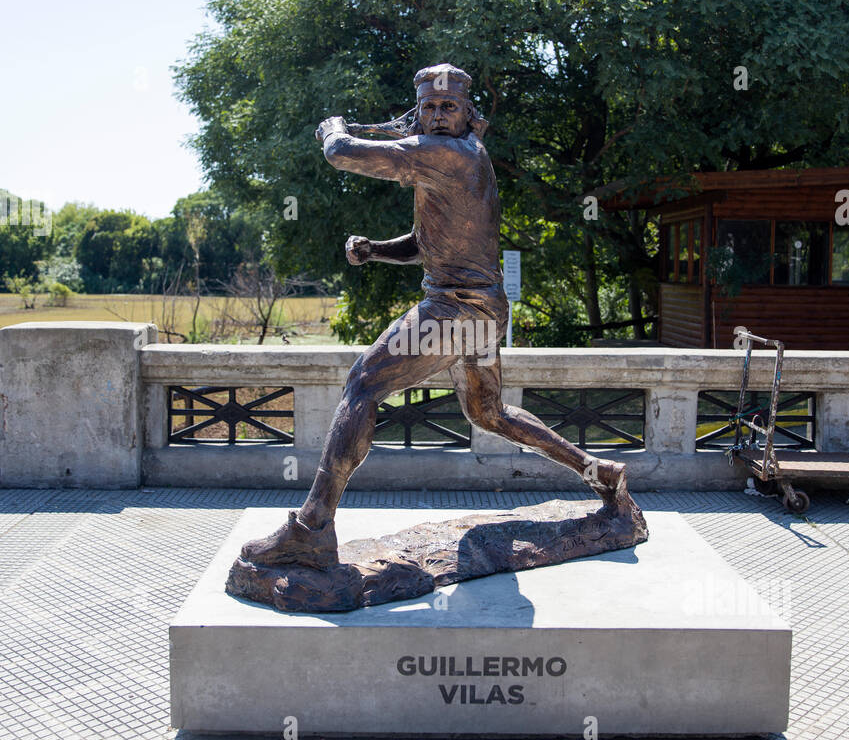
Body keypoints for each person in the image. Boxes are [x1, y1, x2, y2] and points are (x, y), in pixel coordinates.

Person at [239, 64, 638, 570]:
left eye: (448, 107)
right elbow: (425, 245)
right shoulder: (466, 156)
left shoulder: (445, 154)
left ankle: (311, 529)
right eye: (428, 107)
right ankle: (597, 468)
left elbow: (341, 154)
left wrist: (333, 129)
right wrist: (377, 250)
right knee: (488, 414)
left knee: (363, 385)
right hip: (484, 311)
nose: (436, 115)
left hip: (455, 310)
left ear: (468, 113)